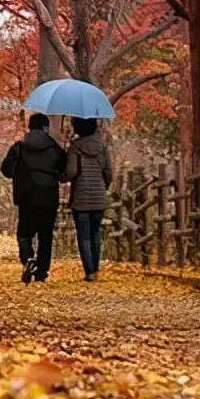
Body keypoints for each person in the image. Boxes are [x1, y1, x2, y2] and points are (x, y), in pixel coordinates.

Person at [0, 113, 67, 283]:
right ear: (45, 128)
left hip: (27, 194)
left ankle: (27, 259)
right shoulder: (54, 148)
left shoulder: (19, 147)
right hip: (49, 194)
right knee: (46, 234)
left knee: (25, 231)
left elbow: (5, 169)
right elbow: (64, 166)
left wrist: (20, 174)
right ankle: (42, 271)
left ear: (29, 128)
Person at [64, 117, 112, 282]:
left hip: (81, 197)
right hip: (98, 197)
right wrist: (102, 187)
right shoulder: (102, 147)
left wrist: (60, 175)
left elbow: (71, 172)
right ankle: (96, 270)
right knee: (95, 234)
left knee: (84, 235)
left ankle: (89, 271)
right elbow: (108, 173)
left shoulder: (75, 146)